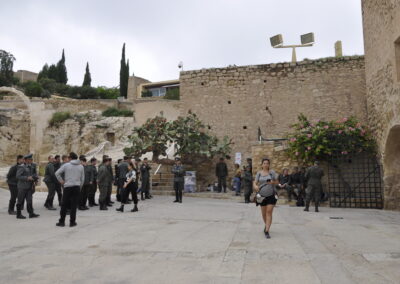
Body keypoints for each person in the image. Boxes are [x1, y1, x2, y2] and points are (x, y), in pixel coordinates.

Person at [55, 152, 84, 227]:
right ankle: (72, 222)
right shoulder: (81, 166)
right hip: (76, 187)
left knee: (64, 205)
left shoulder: (66, 165)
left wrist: (61, 181)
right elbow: (82, 179)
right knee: (74, 205)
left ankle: (62, 221)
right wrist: (79, 187)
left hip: (67, 186)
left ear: (70, 158)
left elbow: (57, 173)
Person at [253, 158, 278, 239]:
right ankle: (266, 225)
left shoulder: (272, 172)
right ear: (262, 164)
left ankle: (267, 230)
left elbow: (277, 182)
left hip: (271, 195)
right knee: (264, 214)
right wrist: (255, 186)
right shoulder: (259, 173)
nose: (266, 164)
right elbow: (255, 182)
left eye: (267, 163)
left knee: (269, 212)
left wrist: (272, 182)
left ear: (269, 164)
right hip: (261, 196)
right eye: (264, 163)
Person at [16, 154, 40, 219]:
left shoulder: (31, 166)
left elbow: (33, 174)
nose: (31, 160)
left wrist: (36, 178)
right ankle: (18, 214)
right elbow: (18, 176)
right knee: (20, 200)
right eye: (30, 159)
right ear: (26, 160)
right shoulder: (21, 167)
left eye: (31, 159)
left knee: (29, 200)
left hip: (29, 186)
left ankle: (31, 213)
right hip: (22, 186)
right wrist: (27, 178)